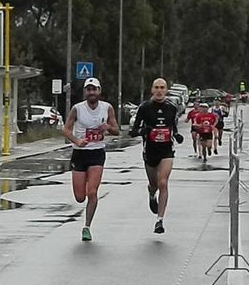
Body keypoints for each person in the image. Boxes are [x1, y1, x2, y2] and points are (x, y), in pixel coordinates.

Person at [63, 77, 119, 241]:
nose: (92, 92)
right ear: (85, 92)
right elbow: (66, 129)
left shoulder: (107, 108)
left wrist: (108, 127)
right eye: (89, 89)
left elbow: (117, 130)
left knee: (92, 192)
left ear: (99, 92)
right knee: (80, 197)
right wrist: (77, 141)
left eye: (94, 89)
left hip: (97, 152)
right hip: (80, 153)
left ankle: (87, 226)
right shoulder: (77, 109)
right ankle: (85, 184)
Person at [129, 78, 184, 234]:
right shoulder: (145, 107)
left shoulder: (172, 107)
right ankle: (151, 194)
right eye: (156, 88)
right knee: (154, 184)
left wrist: (177, 136)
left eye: (162, 88)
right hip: (150, 152)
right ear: (152, 90)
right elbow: (133, 131)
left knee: (163, 183)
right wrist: (143, 131)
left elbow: (173, 127)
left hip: (166, 151)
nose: (159, 91)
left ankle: (159, 220)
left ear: (166, 90)